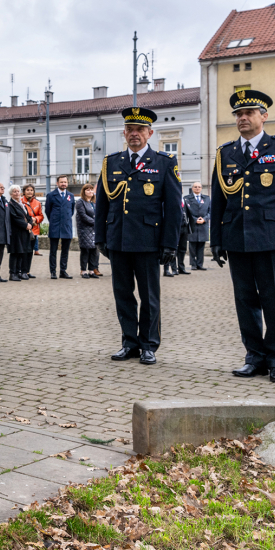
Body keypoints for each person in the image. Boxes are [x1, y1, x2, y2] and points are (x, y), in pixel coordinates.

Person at [211, 89, 275, 384]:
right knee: (245, 300)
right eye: (238, 114)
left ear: (264, 116)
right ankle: (254, 356)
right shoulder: (226, 153)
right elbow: (219, 200)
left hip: (272, 238)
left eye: (249, 113)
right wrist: (217, 240)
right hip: (237, 237)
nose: (242, 118)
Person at [95, 107, 181, 366]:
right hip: (118, 239)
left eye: (140, 130)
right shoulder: (112, 162)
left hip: (148, 240)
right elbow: (101, 203)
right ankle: (129, 342)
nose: (135, 134)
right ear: (124, 132)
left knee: (149, 296)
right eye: (130, 129)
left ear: (150, 133)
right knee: (123, 294)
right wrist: (101, 237)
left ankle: (148, 345)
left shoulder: (164, 163)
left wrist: (169, 243)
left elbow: (173, 208)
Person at [45, 175, 75, 279]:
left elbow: (71, 210)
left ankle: (63, 271)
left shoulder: (71, 195)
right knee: (53, 251)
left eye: (65, 182)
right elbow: (47, 211)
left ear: (67, 183)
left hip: (66, 227)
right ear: (57, 183)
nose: (63, 184)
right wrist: (54, 220)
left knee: (65, 251)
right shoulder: (51, 195)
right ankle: (53, 271)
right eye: (61, 182)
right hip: (55, 226)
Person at [6, 185, 32, 281]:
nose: (17, 193)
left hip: (23, 233)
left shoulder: (22, 204)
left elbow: (28, 216)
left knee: (21, 253)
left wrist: (30, 223)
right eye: (14, 191)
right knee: (15, 253)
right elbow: (15, 218)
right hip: (16, 233)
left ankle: (19, 272)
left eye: (18, 191)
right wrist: (26, 225)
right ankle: (13, 273)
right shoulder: (10, 204)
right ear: (11, 194)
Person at [75, 183, 99, 278]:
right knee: (85, 250)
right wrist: (96, 222)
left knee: (94, 250)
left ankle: (91, 270)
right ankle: (83, 270)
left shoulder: (94, 202)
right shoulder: (80, 202)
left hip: (94, 229)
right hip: (84, 230)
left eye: (91, 189)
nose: (90, 191)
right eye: (88, 190)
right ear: (84, 191)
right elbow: (83, 216)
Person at [185, 181, 211, 270]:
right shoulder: (187, 198)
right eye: (195, 187)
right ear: (192, 188)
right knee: (192, 246)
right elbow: (186, 212)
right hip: (193, 225)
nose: (197, 188)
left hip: (203, 225)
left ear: (201, 188)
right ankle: (193, 264)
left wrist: (204, 219)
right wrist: (195, 220)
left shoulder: (207, 198)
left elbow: (210, 212)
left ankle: (200, 264)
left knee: (201, 246)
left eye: (199, 187)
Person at [165, 197, 192, 277]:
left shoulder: (185, 199)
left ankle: (181, 268)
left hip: (185, 227)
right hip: (175, 227)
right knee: (174, 248)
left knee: (183, 249)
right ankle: (174, 269)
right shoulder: (173, 198)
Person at [20, 184, 44, 273]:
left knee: (30, 252)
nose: (29, 192)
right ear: (24, 192)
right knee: (23, 252)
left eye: (31, 190)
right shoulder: (21, 201)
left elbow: (41, 216)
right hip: (24, 230)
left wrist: (36, 219)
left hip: (33, 231)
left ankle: (27, 271)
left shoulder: (37, 203)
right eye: (27, 190)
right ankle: (21, 271)